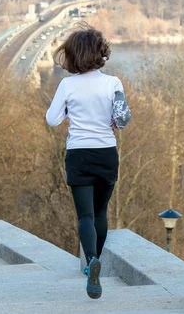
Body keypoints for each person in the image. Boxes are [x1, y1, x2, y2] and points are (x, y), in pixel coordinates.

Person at [46, 23, 131, 300]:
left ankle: (90, 260)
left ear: (72, 56)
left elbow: (52, 119)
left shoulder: (67, 85)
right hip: (106, 153)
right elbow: (122, 119)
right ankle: (97, 261)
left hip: (78, 154)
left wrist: (71, 109)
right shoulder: (113, 83)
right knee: (101, 213)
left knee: (84, 216)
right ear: (100, 53)